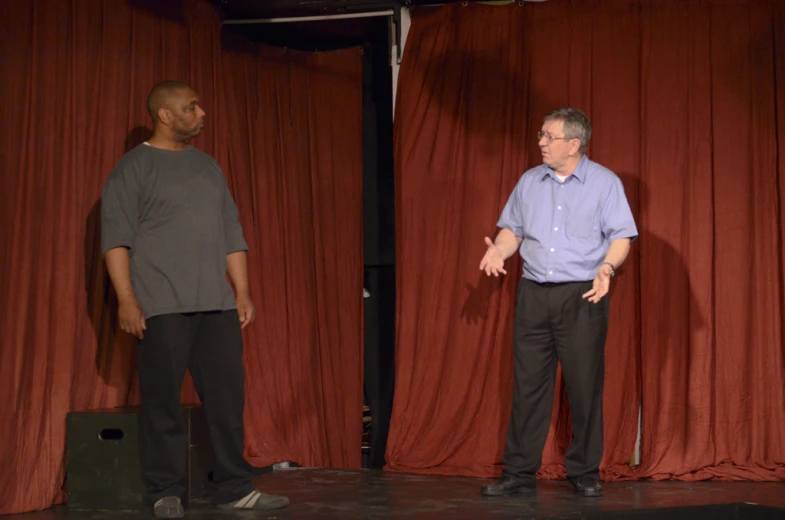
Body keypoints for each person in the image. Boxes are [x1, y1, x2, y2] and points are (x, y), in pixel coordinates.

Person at [101, 80, 289, 518]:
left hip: (216, 305)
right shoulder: (134, 169)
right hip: (160, 305)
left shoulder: (208, 167)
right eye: (191, 107)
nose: (202, 113)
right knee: (162, 402)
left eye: (200, 106)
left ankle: (235, 487)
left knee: (227, 399)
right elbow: (116, 240)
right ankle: (166, 492)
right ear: (165, 115)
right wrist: (127, 300)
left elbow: (231, 233)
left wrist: (241, 292)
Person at [478, 108, 638, 498]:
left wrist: (607, 269)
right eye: (541, 135)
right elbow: (511, 230)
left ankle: (584, 472)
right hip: (534, 294)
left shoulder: (604, 183)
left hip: (582, 294)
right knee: (528, 385)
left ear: (574, 143)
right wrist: (499, 251)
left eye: (549, 136)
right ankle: (518, 474)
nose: (541, 143)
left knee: (584, 386)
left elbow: (621, 236)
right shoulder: (530, 181)